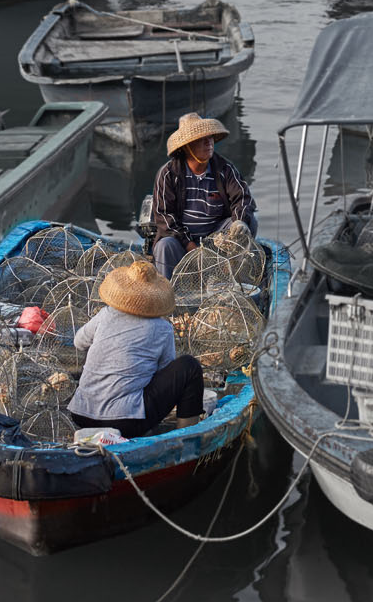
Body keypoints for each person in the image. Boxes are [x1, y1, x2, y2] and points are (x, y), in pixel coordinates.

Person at [67, 260, 204, 438]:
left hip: (80, 414)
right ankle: (187, 437)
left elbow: (79, 342)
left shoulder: (106, 314)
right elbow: (163, 370)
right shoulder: (162, 328)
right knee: (189, 366)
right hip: (125, 421)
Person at [150, 112, 257, 280]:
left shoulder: (225, 169)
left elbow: (243, 198)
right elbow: (164, 217)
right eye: (201, 139)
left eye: (210, 138)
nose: (209, 143)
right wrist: (190, 246)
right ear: (187, 147)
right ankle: (168, 296)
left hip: (216, 240)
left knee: (248, 223)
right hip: (182, 242)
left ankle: (232, 279)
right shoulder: (169, 174)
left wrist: (240, 220)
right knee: (164, 245)